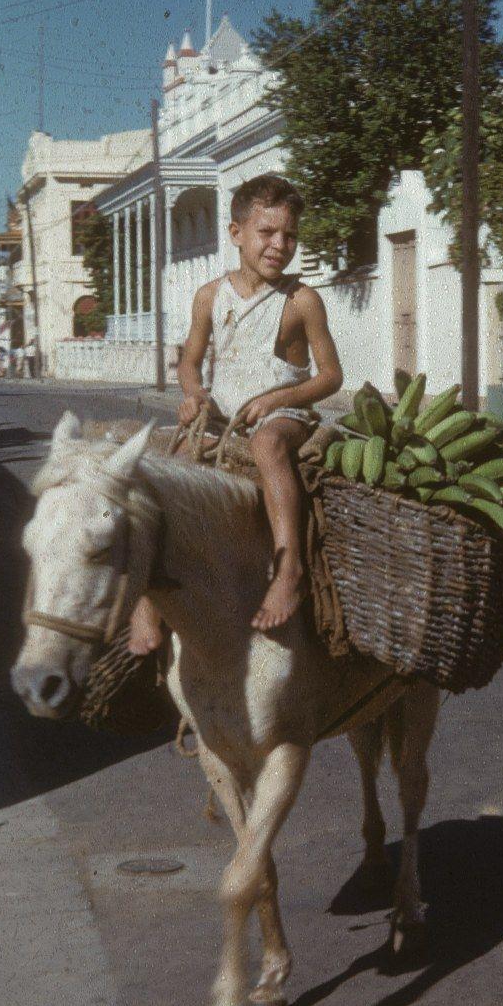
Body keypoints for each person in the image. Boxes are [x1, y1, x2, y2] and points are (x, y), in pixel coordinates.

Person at [127, 173, 343, 655]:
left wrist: (276, 399)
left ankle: (289, 570)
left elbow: (330, 376)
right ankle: (149, 597)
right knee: (169, 463)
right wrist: (194, 394)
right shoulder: (209, 296)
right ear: (236, 233)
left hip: (283, 415)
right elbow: (190, 360)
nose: (279, 245)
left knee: (268, 445)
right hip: (223, 415)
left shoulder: (301, 301)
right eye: (266, 233)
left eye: (289, 235)